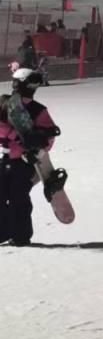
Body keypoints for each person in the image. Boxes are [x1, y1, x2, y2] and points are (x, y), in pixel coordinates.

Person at [0, 68, 58, 247]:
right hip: (8, 158)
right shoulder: (5, 104)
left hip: (24, 161)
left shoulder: (37, 109)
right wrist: (15, 136)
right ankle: (5, 232)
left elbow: (49, 136)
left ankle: (21, 235)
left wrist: (38, 147)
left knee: (18, 196)